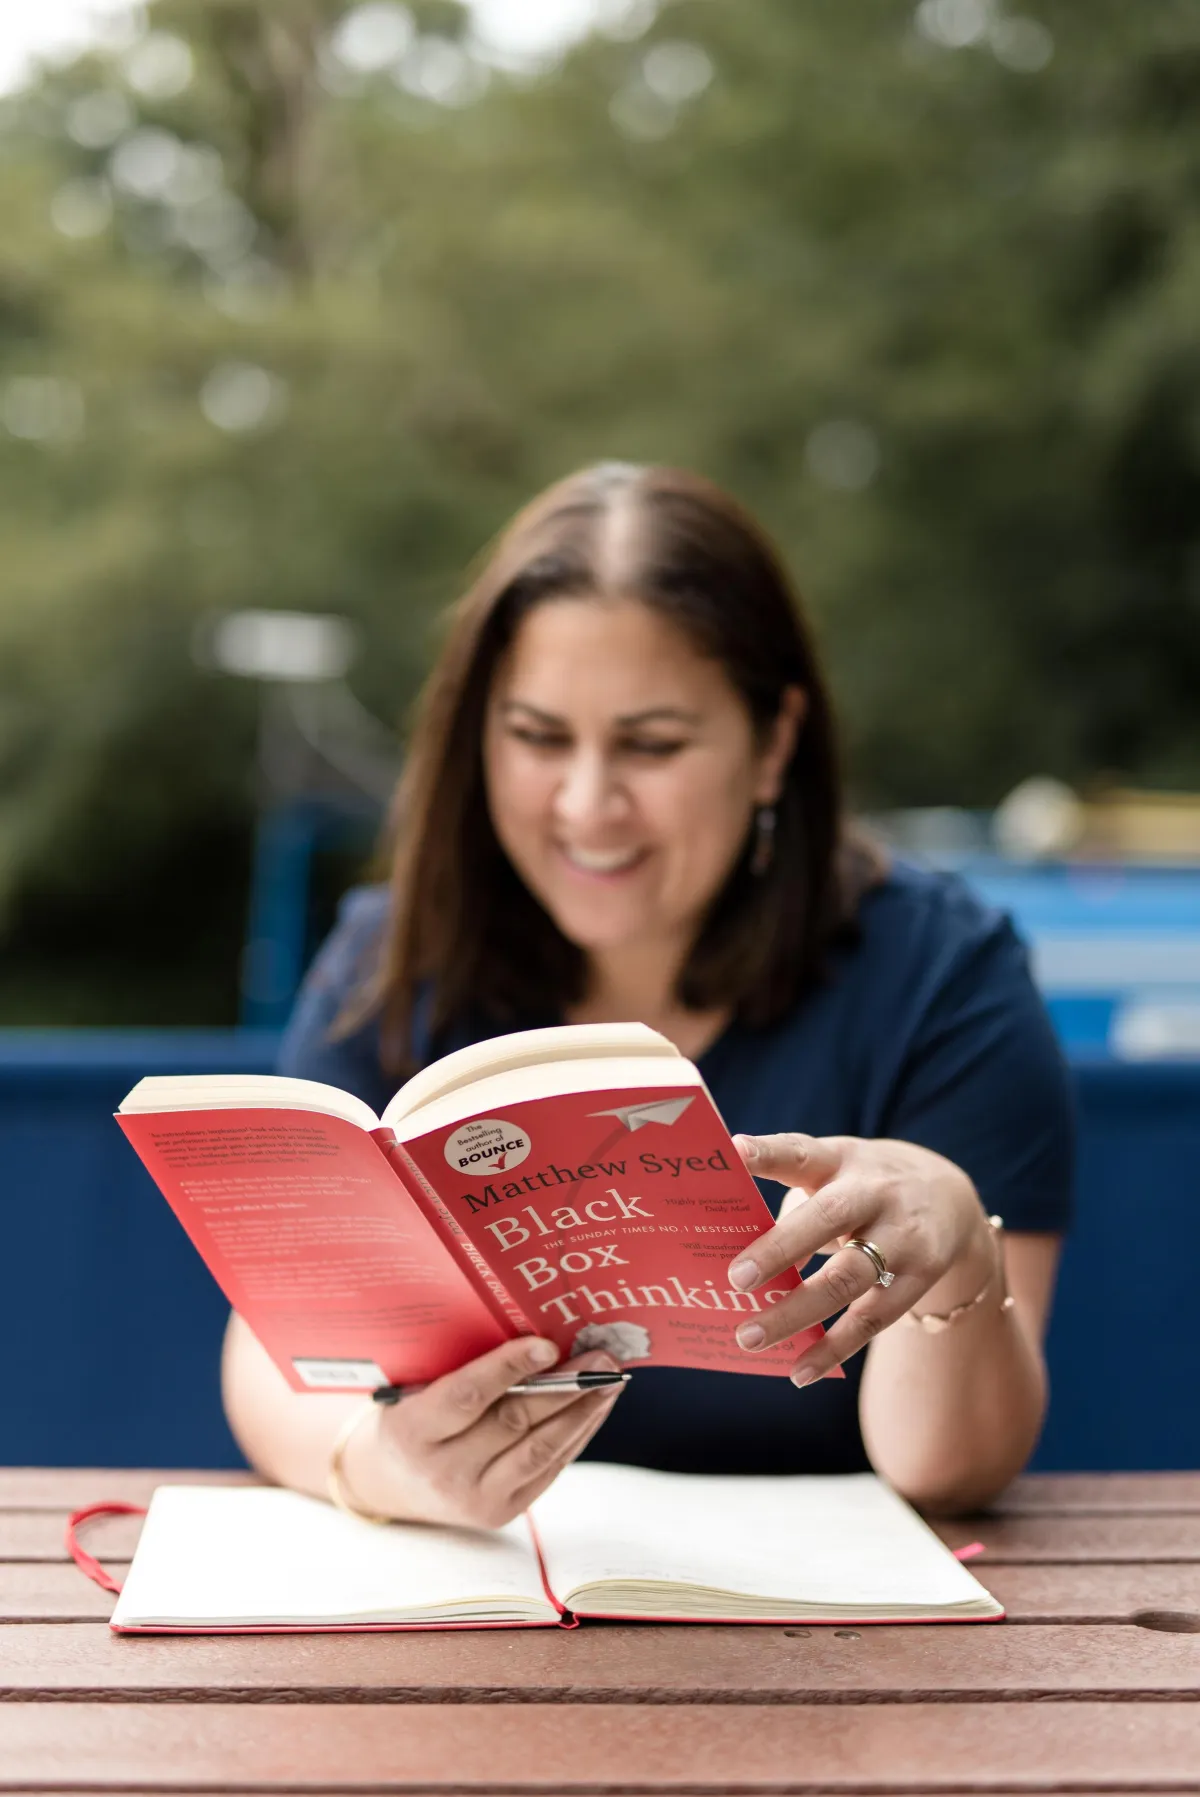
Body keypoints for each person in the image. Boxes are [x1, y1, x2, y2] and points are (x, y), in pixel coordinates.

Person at [222, 461, 1072, 1526]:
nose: (587, 804)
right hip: (476, 1623)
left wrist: (955, 1246)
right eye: (535, 738)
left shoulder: (944, 978)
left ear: (773, 746)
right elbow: (271, 1351)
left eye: (652, 745)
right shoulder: (392, 960)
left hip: (834, 1650)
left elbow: (952, 1471)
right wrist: (376, 1466)